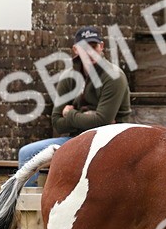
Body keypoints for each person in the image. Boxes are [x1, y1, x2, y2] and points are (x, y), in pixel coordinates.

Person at [17, 26, 132, 186]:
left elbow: (102, 121)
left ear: (102, 46)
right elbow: (57, 122)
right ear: (75, 50)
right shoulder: (68, 77)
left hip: (111, 141)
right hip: (76, 139)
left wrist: (70, 114)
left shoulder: (114, 76)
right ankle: (28, 208)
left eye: (94, 47)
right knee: (26, 153)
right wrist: (88, 115)